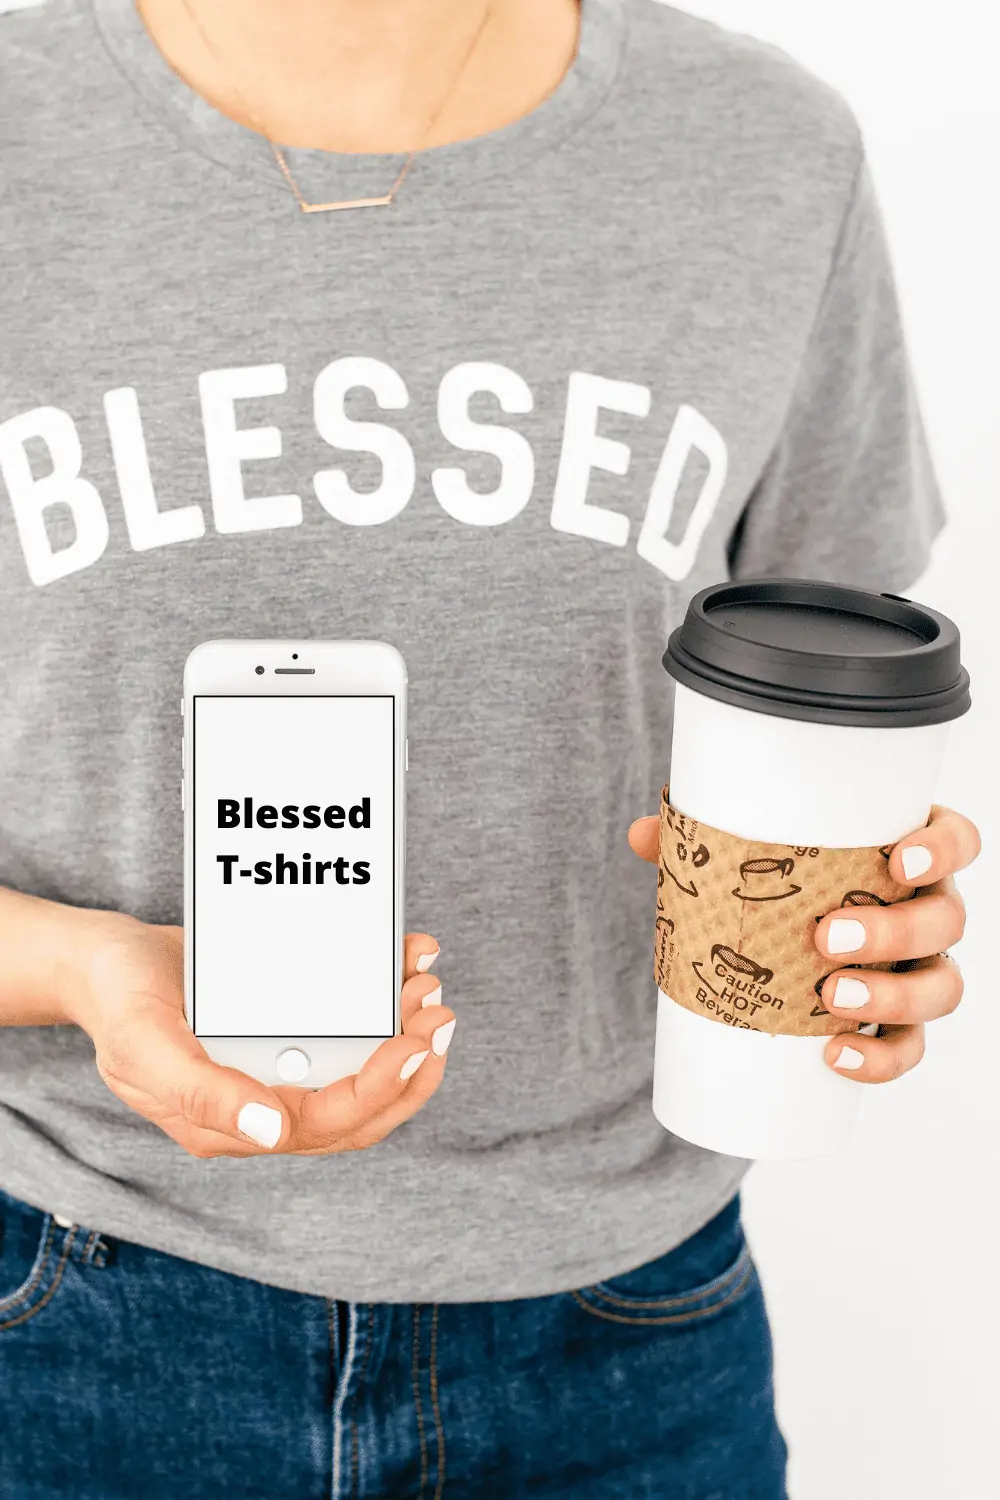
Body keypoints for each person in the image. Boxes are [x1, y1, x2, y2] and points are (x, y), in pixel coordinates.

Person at [0, 1, 981, 1496]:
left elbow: (821, 690)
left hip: (630, 1338)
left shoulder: (768, 151)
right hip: (75, 1320)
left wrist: (863, 917)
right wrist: (78, 968)